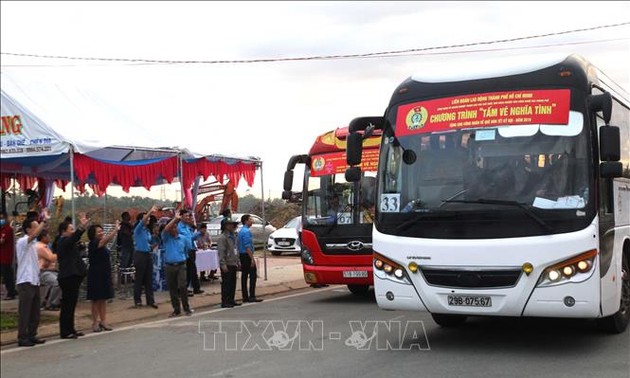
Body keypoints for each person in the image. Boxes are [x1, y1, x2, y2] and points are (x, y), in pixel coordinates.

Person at [15, 209, 49, 347]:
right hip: (25, 281)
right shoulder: (22, 241)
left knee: (35, 311)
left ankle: (32, 334)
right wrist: (44, 221)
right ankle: (22, 337)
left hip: (34, 279)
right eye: (34, 227)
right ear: (28, 229)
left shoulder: (34, 245)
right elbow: (34, 235)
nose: (37, 230)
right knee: (25, 311)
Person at [56, 213, 90, 339]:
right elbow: (74, 238)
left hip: (74, 276)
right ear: (63, 232)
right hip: (68, 276)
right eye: (70, 229)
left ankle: (71, 328)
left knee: (71, 304)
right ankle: (65, 331)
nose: (73, 231)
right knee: (67, 305)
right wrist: (82, 226)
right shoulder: (63, 241)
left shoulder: (68, 243)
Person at [86, 222, 119, 332]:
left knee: (103, 299)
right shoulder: (93, 243)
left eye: (101, 231)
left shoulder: (103, 245)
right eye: (99, 231)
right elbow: (105, 241)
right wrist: (115, 231)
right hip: (95, 274)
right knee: (95, 300)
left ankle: (103, 321)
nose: (101, 233)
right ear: (93, 234)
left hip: (104, 274)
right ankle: (95, 322)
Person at [162, 213, 193, 317]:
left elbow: (186, 251)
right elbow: (166, 229)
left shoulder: (183, 238)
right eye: (172, 227)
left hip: (181, 265)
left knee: (183, 286)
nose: (174, 229)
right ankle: (176, 309)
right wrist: (175, 219)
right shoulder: (166, 238)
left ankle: (186, 307)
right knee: (172, 288)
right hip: (169, 265)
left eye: (175, 227)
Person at [133, 206, 159, 308]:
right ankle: (137, 300)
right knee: (139, 279)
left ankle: (150, 301)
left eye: (148, 218)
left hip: (147, 254)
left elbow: (147, 243)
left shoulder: (147, 231)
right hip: (140, 255)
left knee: (149, 278)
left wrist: (152, 246)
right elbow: (143, 220)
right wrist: (150, 211)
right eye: (146, 218)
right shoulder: (138, 229)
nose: (148, 220)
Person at [178, 209, 203, 295]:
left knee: (191, 271)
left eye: (188, 216)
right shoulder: (179, 227)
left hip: (190, 250)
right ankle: (184, 289)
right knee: (186, 272)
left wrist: (199, 233)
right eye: (186, 216)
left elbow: (191, 238)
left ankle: (191, 288)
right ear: (181, 217)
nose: (188, 218)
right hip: (184, 252)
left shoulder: (188, 227)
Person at [238, 214, 262, 303]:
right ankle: (252, 296)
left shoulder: (241, 231)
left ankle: (245, 296)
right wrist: (252, 259)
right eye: (250, 219)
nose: (252, 221)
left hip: (242, 255)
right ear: (246, 221)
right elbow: (247, 246)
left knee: (244, 276)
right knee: (252, 275)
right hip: (246, 255)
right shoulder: (246, 232)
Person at [217, 217, 240, 308]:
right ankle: (225, 301)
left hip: (233, 262)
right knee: (226, 283)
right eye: (230, 224)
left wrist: (237, 261)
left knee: (232, 283)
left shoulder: (233, 236)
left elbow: (235, 249)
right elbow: (221, 252)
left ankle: (231, 299)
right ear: (225, 226)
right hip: (227, 263)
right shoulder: (223, 238)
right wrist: (223, 264)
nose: (232, 226)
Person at [36, 230, 61, 311]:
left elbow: (50, 258)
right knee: (57, 282)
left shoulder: (45, 246)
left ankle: (49, 301)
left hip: (49, 270)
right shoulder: (41, 247)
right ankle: (52, 303)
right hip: (43, 271)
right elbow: (51, 258)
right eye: (48, 236)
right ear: (43, 237)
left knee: (62, 280)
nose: (49, 237)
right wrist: (60, 253)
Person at [0, 210, 18, 300]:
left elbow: (2, 241)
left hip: (6, 257)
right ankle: (11, 291)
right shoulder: (2, 229)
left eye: (2, 218)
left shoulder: (7, 230)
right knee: (6, 275)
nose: (1, 220)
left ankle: (11, 293)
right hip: (2, 256)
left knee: (7, 275)